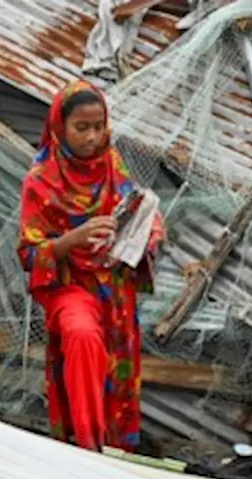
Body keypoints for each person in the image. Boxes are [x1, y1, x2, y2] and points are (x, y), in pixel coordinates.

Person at [17, 80, 164, 452]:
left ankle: (116, 450)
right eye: (82, 128)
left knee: (116, 366)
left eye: (99, 126)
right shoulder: (40, 182)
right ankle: (86, 447)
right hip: (71, 285)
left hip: (113, 286)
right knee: (81, 337)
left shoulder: (111, 164)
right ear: (59, 127)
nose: (92, 136)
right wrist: (72, 240)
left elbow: (136, 208)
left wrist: (149, 231)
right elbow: (28, 254)